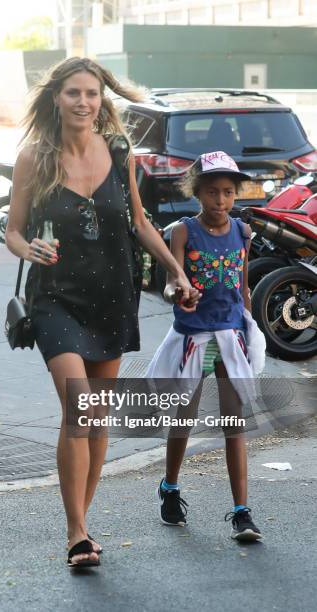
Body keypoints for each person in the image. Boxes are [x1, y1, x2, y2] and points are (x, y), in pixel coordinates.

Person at [5, 57, 199, 568]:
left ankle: (83, 522)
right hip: (56, 299)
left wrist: (175, 271)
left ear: (102, 100)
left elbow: (139, 222)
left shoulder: (119, 151)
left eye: (92, 94)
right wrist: (26, 249)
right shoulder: (35, 157)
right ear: (56, 98)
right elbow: (13, 229)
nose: (84, 103)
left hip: (113, 296)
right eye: (73, 93)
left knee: (96, 418)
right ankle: (76, 532)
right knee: (78, 409)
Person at [147, 151, 263, 542]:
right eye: (212, 192)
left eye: (228, 193)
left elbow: (243, 289)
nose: (221, 201)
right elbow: (167, 285)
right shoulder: (181, 232)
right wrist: (177, 291)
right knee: (185, 418)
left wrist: (248, 333)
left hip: (230, 337)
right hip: (193, 338)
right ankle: (170, 487)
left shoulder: (243, 233)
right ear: (197, 193)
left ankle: (242, 511)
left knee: (235, 424)